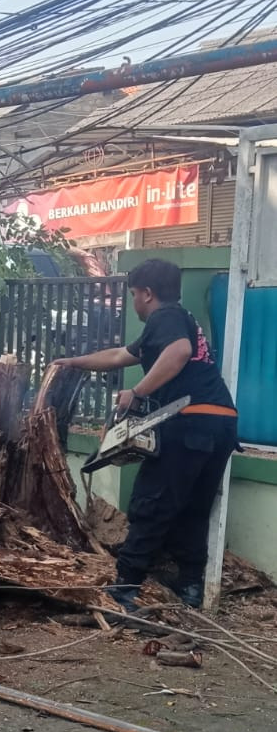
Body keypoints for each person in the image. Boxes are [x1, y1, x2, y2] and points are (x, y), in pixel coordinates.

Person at [60, 257, 237, 609]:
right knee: (191, 509)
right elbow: (117, 356)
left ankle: (125, 590)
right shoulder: (179, 320)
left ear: (147, 294)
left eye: (133, 295)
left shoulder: (165, 318)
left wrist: (137, 392)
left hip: (189, 420)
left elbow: (180, 352)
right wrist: (73, 362)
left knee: (150, 502)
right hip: (221, 421)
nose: (133, 302)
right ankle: (189, 588)